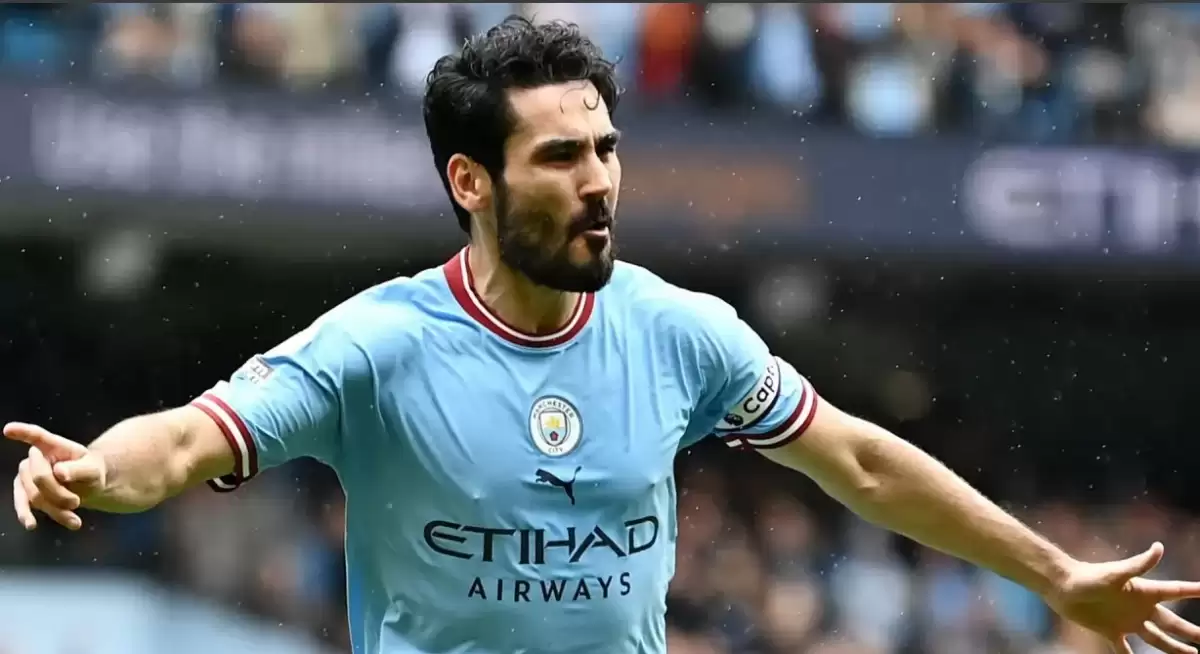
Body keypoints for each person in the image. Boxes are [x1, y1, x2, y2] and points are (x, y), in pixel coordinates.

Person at [7, 16, 1200, 654]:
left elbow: (862, 462)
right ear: (471, 181)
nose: (599, 182)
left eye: (608, 150)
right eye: (560, 157)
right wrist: (94, 471)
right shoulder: (379, 347)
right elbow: (190, 441)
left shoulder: (681, 334)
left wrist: (1054, 575)